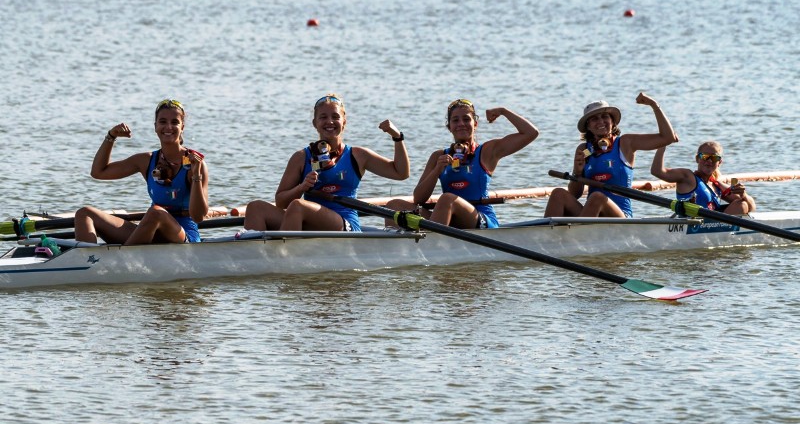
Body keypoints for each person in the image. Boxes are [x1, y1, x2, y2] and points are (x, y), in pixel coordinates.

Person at [242, 93, 410, 232]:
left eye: (335, 117)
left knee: (298, 206)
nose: (329, 121)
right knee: (255, 208)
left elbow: (400, 173)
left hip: (344, 224)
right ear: (315, 123)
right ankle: (253, 256)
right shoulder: (300, 157)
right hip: (304, 219)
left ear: (344, 122)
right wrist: (301, 187)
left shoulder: (358, 155)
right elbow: (281, 202)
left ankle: (284, 255)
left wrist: (397, 137)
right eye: (323, 117)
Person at [385, 99, 539, 229]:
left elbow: (531, 133)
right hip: (448, 219)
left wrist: (503, 111)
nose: (461, 124)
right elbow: (419, 199)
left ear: (475, 124)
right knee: (394, 206)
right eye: (455, 120)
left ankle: (433, 244)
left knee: (447, 199)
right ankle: (397, 248)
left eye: (466, 119)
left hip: (481, 219)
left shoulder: (487, 151)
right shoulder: (438, 156)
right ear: (449, 127)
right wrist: (437, 170)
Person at [74, 99, 209, 244]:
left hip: (183, 235)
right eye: (163, 121)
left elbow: (198, 217)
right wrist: (111, 136)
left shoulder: (195, 163)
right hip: (150, 230)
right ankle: (89, 257)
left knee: (156, 212)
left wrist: (196, 174)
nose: (168, 127)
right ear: (155, 126)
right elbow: (98, 172)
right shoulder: (146, 160)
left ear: (182, 127)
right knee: (84, 214)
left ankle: (124, 256)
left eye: (175, 122)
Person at [544, 92, 678, 218]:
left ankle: (579, 231)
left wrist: (654, 105)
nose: (600, 121)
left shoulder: (626, 143)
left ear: (613, 122)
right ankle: (545, 232)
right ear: (588, 126)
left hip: (619, 216)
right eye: (594, 119)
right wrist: (577, 173)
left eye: (604, 117)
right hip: (591, 215)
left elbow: (668, 137)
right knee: (558, 194)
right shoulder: (584, 149)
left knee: (597, 197)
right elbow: (575, 194)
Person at [650, 142, 755, 214]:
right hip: (691, 225)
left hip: (711, 226)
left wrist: (743, 194)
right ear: (697, 159)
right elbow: (657, 171)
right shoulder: (688, 177)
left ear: (719, 162)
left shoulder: (717, 185)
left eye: (714, 158)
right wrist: (662, 145)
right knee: (741, 204)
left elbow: (751, 207)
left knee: (742, 204)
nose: (709, 161)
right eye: (704, 156)